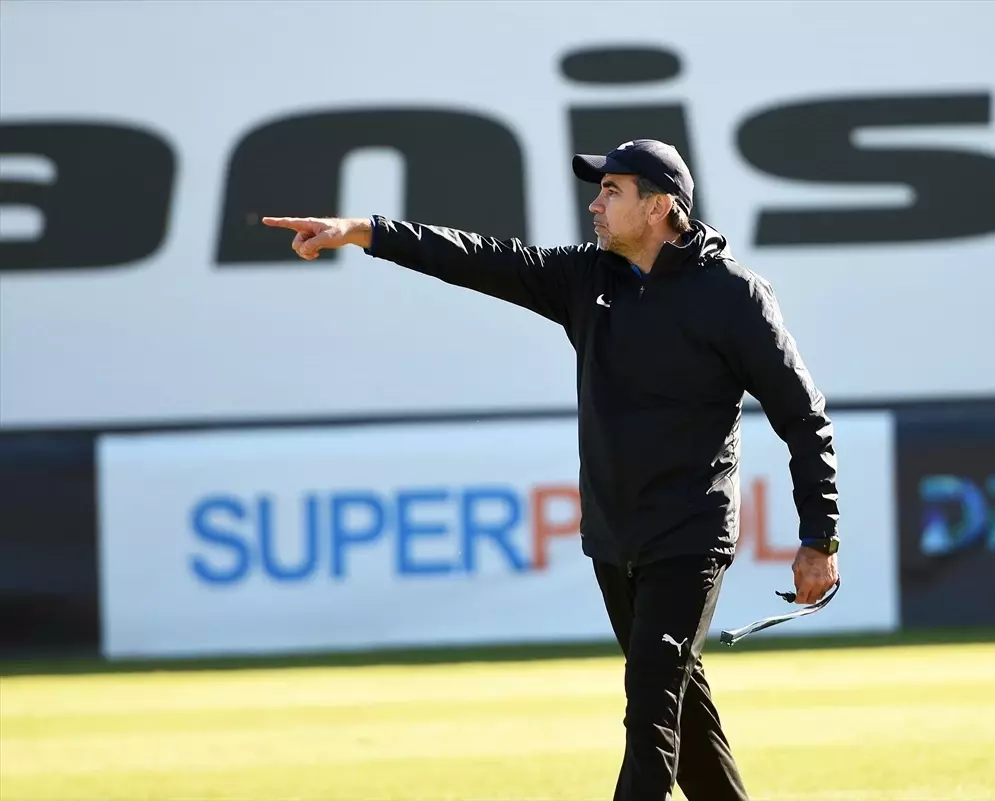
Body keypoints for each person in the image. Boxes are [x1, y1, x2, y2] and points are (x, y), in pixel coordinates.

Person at [262, 138, 840, 801]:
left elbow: (804, 416)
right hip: (614, 537)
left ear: (659, 207)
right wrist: (363, 231)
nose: (595, 204)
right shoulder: (586, 278)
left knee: (650, 714)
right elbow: (477, 257)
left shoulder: (734, 295)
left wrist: (819, 537)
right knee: (684, 715)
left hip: (689, 538)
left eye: (611, 191)